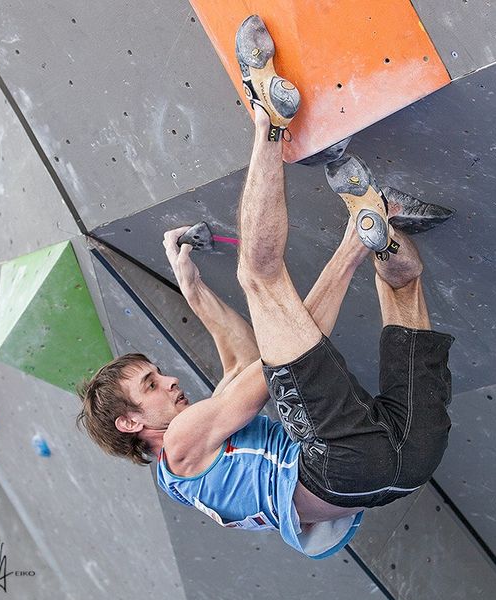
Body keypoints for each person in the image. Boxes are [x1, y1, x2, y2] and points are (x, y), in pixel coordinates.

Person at [77, 15, 454, 559]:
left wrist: (195, 292)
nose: (171, 380)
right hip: (343, 465)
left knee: (404, 288)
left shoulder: (199, 459)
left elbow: (244, 362)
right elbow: (271, 370)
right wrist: (343, 254)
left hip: (408, 464)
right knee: (258, 277)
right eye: (151, 385)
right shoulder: (179, 446)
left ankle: (383, 224)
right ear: (131, 422)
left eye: (158, 373)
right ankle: (269, 119)